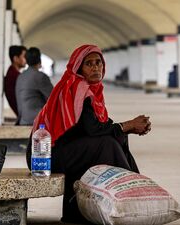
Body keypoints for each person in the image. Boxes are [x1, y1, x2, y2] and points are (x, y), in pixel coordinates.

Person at [26, 44, 151, 224]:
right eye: (89, 64)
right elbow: (92, 129)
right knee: (105, 144)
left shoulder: (91, 91)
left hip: (63, 150)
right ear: (78, 68)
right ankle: (129, 198)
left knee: (111, 140)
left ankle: (78, 212)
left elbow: (99, 126)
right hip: (44, 155)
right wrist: (127, 125)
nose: (95, 67)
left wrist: (128, 128)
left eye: (98, 62)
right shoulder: (75, 88)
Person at [15, 47, 53, 125]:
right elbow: (53, 98)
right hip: (37, 122)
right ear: (39, 59)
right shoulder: (40, 76)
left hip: (23, 120)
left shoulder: (20, 76)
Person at [4, 45, 27, 118]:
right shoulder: (15, 76)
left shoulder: (11, 73)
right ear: (16, 59)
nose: (26, 59)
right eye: (24, 57)